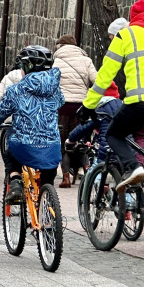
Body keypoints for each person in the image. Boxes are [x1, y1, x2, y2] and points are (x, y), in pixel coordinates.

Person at [81, 0, 144, 191]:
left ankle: (133, 167)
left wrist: (89, 104)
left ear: (132, 18)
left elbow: (105, 75)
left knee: (113, 134)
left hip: (139, 104)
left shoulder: (125, 35)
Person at [0, 46, 64, 203]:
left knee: (9, 149)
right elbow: (60, 102)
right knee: (47, 181)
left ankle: (16, 181)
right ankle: (49, 212)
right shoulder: (55, 90)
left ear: (27, 67)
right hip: (52, 149)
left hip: (24, 148)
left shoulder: (16, 91)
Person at [52, 35, 97, 187]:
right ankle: (88, 171)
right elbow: (96, 80)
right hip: (82, 108)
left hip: (62, 107)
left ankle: (65, 177)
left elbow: (51, 84)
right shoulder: (86, 60)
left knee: (64, 142)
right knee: (82, 142)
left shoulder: (56, 62)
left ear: (61, 46)